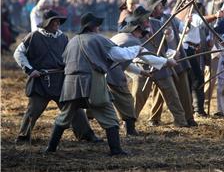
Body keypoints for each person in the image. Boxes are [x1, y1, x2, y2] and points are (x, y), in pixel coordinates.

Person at [45, 13, 156, 156]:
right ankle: (116, 150)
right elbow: (119, 55)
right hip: (92, 82)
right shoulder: (98, 39)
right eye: (97, 25)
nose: (99, 27)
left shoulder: (72, 41)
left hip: (71, 83)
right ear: (93, 26)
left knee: (64, 117)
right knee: (109, 115)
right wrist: (138, 49)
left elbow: (63, 61)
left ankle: (51, 148)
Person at [13, 10, 100, 143]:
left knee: (74, 107)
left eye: (58, 21)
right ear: (47, 23)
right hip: (40, 81)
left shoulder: (63, 38)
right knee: (33, 110)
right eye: (54, 21)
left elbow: (70, 56)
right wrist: (30, 70)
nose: (57, 23)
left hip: (61, 80)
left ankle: (86, 134)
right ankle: (23, 137)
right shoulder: (33, 36)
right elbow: (18, 54)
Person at [108, 5, 179, 135]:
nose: (142, 35)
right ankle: (126, 131)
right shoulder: (131, 41)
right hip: (109, 75)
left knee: (111, 104)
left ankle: (126, 129)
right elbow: (147, 57)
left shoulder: (122, 37)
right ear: (136, 28)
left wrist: (140, 72)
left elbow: (123, 62)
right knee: (124, 103)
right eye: (141, 33)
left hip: (107, 74)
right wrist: (167, 62)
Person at [128, 5, 189, 127]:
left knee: (172, 95)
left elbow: (169, 40)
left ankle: (181, 121)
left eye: (145, 18)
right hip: (143, 67)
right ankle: (130, 124)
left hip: (161, 66)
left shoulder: (157, 23)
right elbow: (137, 52)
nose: (144, 21)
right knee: (138, 96)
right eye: (141, 20)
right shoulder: (133, 30)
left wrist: (169, 34)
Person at [145, 0, 198, 126]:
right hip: (160, 60)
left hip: (178, 57)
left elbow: (184, 29)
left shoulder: (170, 17)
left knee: (184, 89)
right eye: (158, 6)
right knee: (161, 91)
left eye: (161, 5)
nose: (161, 7)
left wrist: (187, 23)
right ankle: (154, 118)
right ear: (152, 9)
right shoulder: (148, 23)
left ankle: (189, 117)